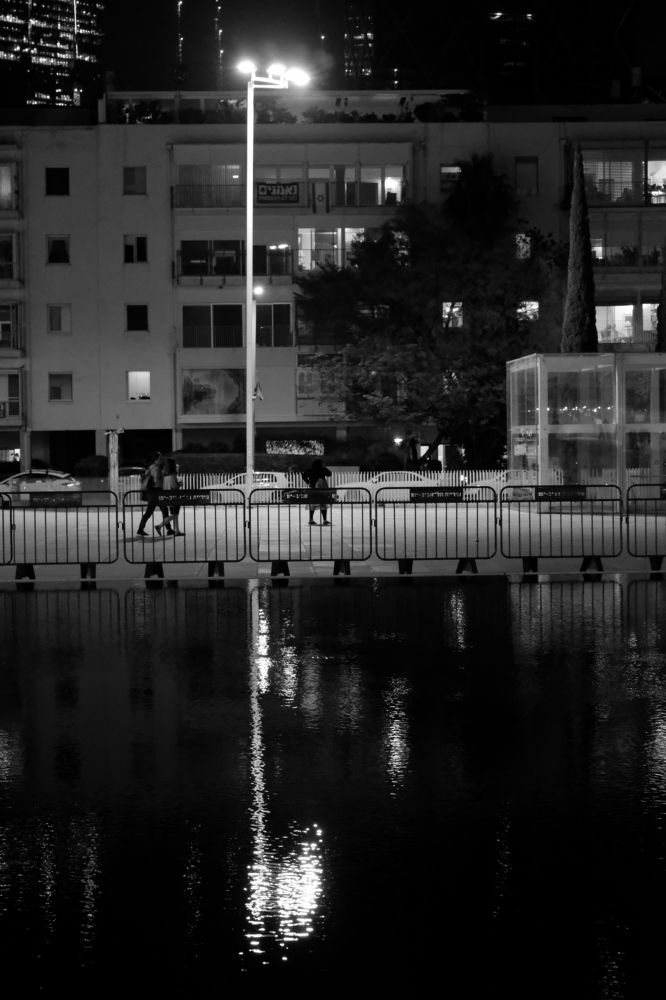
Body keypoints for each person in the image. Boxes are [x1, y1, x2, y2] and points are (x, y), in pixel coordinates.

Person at [136, 451, 172, 536]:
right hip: (156, 492)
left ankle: (140, 529)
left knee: (150, 512)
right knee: (164, 510)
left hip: (151, 493)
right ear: (157, 459)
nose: (162, 460)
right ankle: (169, 529)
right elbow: (157, 481)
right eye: (160, 458)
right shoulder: (157, 468)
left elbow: (145, 479)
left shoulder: (150, 467)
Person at [156, 455, 184, 536]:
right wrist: (180, 484)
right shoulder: (172, 475)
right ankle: (160, 526)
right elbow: (174, 486)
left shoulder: (165, 474)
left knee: (174, 514)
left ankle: (177, 531)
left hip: (168, 497)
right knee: (175, 514)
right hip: (174, 497)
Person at [303, 458, 332, 526]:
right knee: (323, 504)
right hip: (321, 489)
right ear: (320, 464)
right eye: (322, 463)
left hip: (312, 488)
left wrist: (308, 482)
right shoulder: (322, 470)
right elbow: (329, 474)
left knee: (312, 504)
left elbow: (304, 476)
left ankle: (311, 519)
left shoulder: (310, 470)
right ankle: (324, 520)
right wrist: (324, 468)